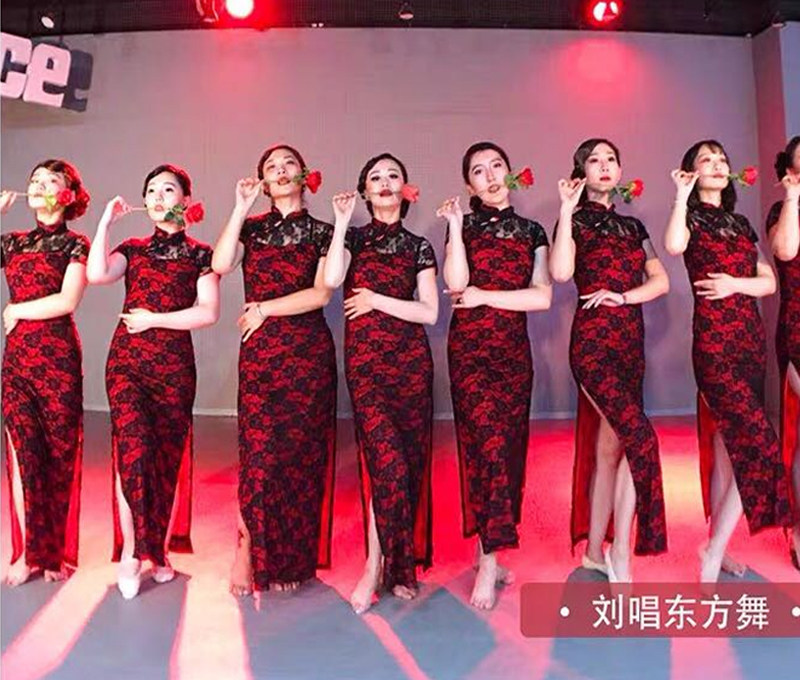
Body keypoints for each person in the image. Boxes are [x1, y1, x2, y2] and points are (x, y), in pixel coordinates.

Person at [87, 164, 219, 599]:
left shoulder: (201, 255)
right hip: (127, 365)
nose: (159, 197)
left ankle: (157, 550)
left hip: (174, 370)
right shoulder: (134, 249)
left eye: (168, 189)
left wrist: (155, 320)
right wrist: (106, 222)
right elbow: (96, 274)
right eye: (151, 191)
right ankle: (131, 551)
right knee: (134, 452)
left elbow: (208, 312)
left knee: (164, 460)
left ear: (185, 200)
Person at [664, 139, 792, 583]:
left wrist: (735, 285)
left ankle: (716, 545)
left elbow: (768, 282)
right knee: (758, 444)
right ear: (692, 172)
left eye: (722, 159)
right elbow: (674, 244)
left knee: (729, 447)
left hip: (750, 342)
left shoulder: (740, 223)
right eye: (707, 159)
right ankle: (714, 549)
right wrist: (681, 195)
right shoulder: (690, 218)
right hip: (714, 344)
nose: (718, 165)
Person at [212, 145, 337, 595]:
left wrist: (265, 308)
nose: (281, 171)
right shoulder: (252, 227)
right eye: (271, 166)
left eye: (289, 164)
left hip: (308, 354)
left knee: (300, 457)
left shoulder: (323, 232)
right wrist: (239, 207)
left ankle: (292, 559)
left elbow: (321, 294)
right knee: (258, 457)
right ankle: (247, 547)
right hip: (262, 355)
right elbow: (220, 264)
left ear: (304, 174)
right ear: (263, 181)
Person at [549, 138, 669, 583]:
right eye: (594, 160)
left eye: (611, 159)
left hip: (630, 344)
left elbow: (660, 281)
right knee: (640, 438)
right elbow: (562, 272)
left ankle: (593, 551)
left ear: (619, 171)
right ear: (581, 172)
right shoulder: (574, 219)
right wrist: (566, 210)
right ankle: (621, 551)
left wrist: (624, 296)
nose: (604, 165)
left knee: (611, 447)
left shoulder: (634, 227)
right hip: (593, 344)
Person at [324, 153, 438, 614]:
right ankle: (374, 567)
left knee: (404, 470)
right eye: (375, 177)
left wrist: (377, 299)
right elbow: (332, 278)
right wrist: (339, 222)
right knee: (385, 466)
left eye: (393, 175)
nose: (385, 182)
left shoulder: (418, 246)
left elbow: (428, 312)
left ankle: (395, 566)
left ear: (405, 189)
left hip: (411, 366)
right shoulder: (352, 239)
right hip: (367, 367)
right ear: (365, 192)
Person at [441, 142, 551, 608]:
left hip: (512, 356)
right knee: (483, 448)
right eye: (478, 171)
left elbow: (541, 297)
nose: (489, 176)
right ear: (469, 185)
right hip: (469, 353)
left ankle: (489, 549)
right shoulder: (462, 226)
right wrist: (453, 227)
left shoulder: (532, 231)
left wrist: (487, 296)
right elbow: (456, 284)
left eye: (496, 166)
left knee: (506, 452)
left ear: (510, 174)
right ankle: (488, 563)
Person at [1, 159, 91, 586]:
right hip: (18, 362)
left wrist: (16, 309)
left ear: (67, 194)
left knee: (57, 457)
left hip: (58, 360)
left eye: (49, 180)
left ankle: (52, 553)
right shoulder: (12, 242)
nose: (37, 185)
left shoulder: (76, 244)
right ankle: (27, 553)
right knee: (23, 458)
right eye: (33, 179)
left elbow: (66, 301)